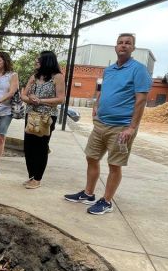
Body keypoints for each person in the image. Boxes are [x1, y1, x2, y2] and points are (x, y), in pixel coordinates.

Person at [64, 33, 152, 214]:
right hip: (101, 124)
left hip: (122, 127)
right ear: (115, 47)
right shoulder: (109, 70)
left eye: (128, 43)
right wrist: (97, 105)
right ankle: (88, 194)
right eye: (120, 43)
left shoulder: (139, 70)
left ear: (133, 48)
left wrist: (132, 128)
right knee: (91, 157)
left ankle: (107, 201)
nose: (123, 45)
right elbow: (103, 90)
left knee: (114, 164)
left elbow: (141, 100)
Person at [21, 50, 65, 189]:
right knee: (28, 146)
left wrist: (40, 101)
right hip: (31, 114)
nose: (36, 62)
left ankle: (37, 178)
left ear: (46, 61)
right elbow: (23, 95)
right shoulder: (34, 76)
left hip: (46, 117)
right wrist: (31, 99)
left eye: (38, 61)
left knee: (41, 147)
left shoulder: (57, 77)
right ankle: (32, 176)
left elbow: (60, 99)